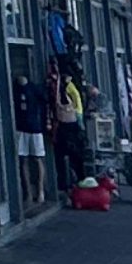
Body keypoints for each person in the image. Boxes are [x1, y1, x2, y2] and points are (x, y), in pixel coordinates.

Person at [13, 70, 51, 206]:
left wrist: (46, 122)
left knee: (37, 158)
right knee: (23, 160)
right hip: (21, 129)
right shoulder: (15, 90)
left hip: (35, 128)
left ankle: (40, 190)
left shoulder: (34, 89)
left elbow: (46, 103)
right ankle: (28, 192)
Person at [52, 64, 88, 192]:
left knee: (67, 156)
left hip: (68, 123)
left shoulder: (63, 87)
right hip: (71, 122)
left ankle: (70, 182)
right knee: (74, 156)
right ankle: (77, 180)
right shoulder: (67, 86)